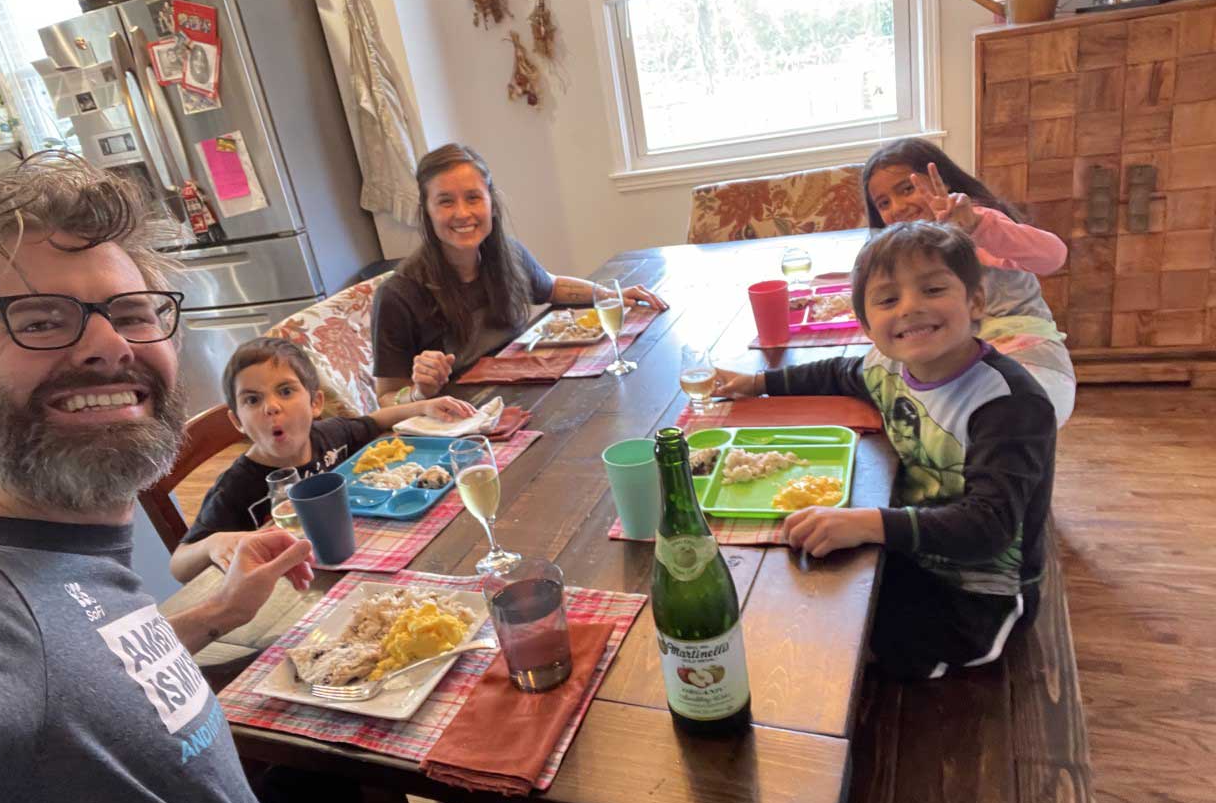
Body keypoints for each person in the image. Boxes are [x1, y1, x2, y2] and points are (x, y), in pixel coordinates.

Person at [0, 154, 323, 803]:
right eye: (40, 320)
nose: (110, 344)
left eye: (133, 313)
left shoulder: (65, 563)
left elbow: (84, 674)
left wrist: (213, 617)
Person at [715, 221, 1056, 681]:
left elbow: (989, 528)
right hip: (916, 547)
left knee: (838, 653)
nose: (912, 308)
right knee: (796, 593)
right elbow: (838, 371)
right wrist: (758, 383)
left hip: (979, 592)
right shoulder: (888, 364)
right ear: (867, 325)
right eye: (889, 299)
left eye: (933, 289)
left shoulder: (1008, 403)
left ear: (975, 301)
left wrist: (869, 523)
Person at [372, 143, 667, 404]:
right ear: (427, 211)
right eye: (446, 201)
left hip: (523, 398)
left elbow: (551, 286)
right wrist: (419, 391)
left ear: (492, 203)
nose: (462, 213)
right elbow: (386, 397)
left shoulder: (508, 254)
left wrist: (607, 295)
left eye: (473, 197)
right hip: (458, 424)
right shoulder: (398, 295)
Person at [171, 337, 475, 581]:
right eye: (253, 399)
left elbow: (374, 421)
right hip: (292, 590)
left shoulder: (330, 435)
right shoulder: (236, 487)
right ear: (237, 421)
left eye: (286, 391)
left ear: (316, 402)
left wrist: (423, 407)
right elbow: (179, 565)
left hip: (361, 562)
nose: (271, 407)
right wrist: (214, 543)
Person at [861, 137, 1076, 426]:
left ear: (944, 182)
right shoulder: (901, 251)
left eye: (908, 189)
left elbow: (1053, 256)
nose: (898, 207)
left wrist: (977, 227)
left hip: (1024, 352)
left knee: (1000, 420)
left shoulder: (978, 223)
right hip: (951, 354)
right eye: (884, 203)